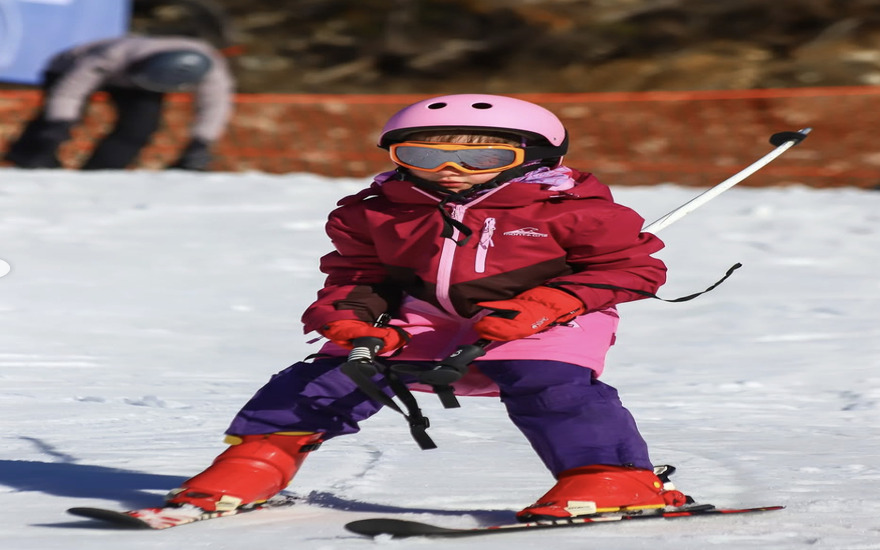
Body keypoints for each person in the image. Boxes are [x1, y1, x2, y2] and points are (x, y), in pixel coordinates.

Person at [163, 94, 689, 520]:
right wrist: (350, 317)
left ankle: (611, 477)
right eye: (423, 157)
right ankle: (256, 461)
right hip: (425, 312)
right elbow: (359, 275)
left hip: (549, 312)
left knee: (547, 381)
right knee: (330, 375)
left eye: (484, 158)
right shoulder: (378, 212)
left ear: (535, 157)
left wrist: (551, 301)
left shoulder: (572, 210)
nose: (451, 170)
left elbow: (632, 269)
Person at [3, 35, 234, 171]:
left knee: (141, 126)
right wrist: (59, 122)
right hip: (69, 69)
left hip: (137, 78)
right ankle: (30, 159)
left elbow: (215, 105)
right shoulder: (112, 55)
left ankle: (103, 171)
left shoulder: (210, 67)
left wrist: (201, 142)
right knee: (54, 122)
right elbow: (69, 92)